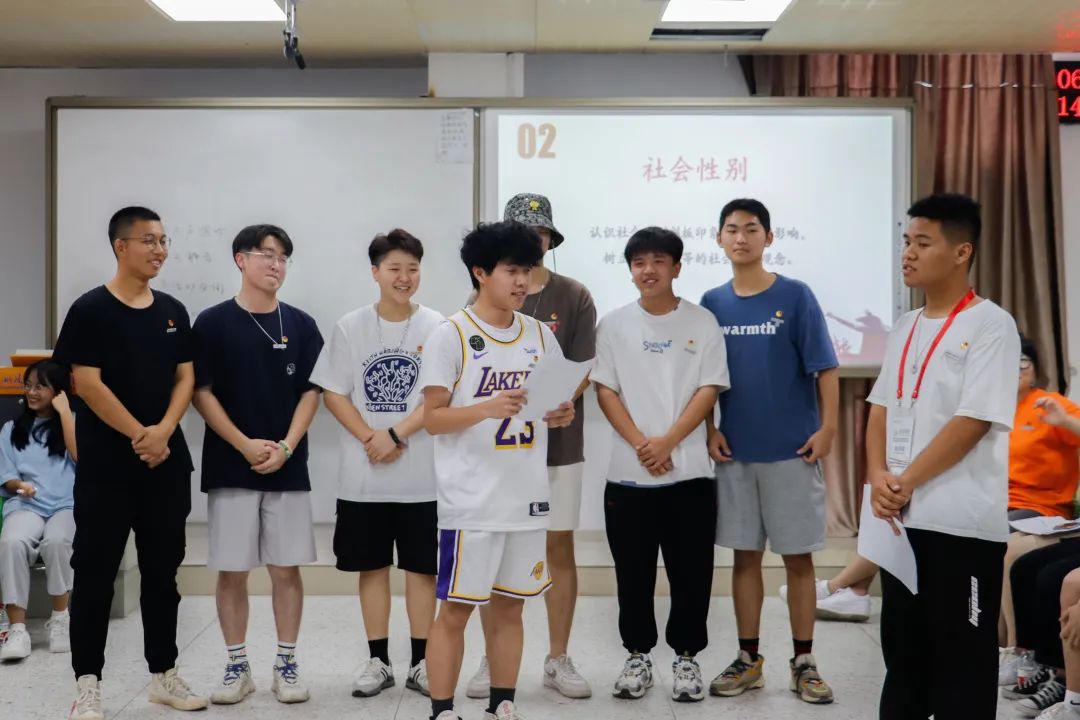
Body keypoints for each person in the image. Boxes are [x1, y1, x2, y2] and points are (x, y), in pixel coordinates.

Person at [868, 193, 1020, 720]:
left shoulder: (991, 324)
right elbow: (880, 408)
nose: (908, 253)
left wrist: (906, 479)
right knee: (903, 660)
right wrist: (878, 476)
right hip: (901, 523)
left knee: (962, 666)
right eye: (906, 242)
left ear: (961, 252)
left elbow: (973, 421)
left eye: (923, 243)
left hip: (962, 525)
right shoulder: (906, 325)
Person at [52, 206, 208, 719]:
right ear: (121, 246)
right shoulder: (90, 309)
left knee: (162, 575)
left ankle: (164, 675)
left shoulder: (173, 310)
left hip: (165, 465)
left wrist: (162, 432)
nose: (160, 250)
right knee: (95, 575)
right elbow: (86, 383)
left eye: (164, 240)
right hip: (107, 469)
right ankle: (88, 685)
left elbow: (186, 377)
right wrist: (141, 433)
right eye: (149, 240)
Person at [420, 221, 574, 720]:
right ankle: (442, 710)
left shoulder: (539, 335)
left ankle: (501, 704)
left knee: (510, 607)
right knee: (456, 610)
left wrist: (561, 412)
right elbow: (432, 419)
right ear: (480, 272)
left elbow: (551, 404)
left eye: (527, 270)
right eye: (511, 271)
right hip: (471, 504)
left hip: (525, 499)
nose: (522, 281)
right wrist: (485, 408)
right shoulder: (451, 335)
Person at [700, 198, 839, 704]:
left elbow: (825, 368)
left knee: (798, 560)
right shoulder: (712, 302)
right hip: (736, 453)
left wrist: (828, 428)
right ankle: (748, 659)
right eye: (732, 229)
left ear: (769, 237)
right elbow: (705, 377)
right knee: (745, 559)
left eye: (752, 229)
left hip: (792, 451)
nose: (741, 238)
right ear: (719, 238)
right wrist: (710, 428)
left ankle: (804, 662)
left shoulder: (796, 296)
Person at [466, 193, 596, 700]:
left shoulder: (574, 294)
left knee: (558, 546)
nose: (533, 242)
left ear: (550, 240)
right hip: (499, 450)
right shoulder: (484, 294)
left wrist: (551, 403)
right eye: (523, 232)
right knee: (495, 549)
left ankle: (557, 657)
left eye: (540, 234)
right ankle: (490, 657)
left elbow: (582, 367)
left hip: (557, 445)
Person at [591, 226, 728, 703]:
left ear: (676, 267)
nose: (648, 270)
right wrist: (641, 444)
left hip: (689, 474)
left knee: (692, 574)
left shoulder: (702, 322)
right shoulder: (613, 324)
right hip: (627, 476)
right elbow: (605, 389)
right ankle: (638, 656)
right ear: (630, 270)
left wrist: (668, 442)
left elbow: (709, 388)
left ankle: (687, 658)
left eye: (658, 261)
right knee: (632, 575)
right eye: (639, 263)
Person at [191, 224, 322, 706]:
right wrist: (244, 444)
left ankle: (286, 664)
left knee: (286, 569)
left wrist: (286, 446)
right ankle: (236, 666)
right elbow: (200, 393)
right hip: (231, 465)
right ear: (240, 260)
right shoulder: (212, 323)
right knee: (232, 570)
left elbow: (312, 392)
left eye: (283, 257)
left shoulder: (301, 324)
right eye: (267, 254)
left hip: (288, 465)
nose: (276, 264)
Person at [310, 229, 443, 698]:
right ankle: (379, 660)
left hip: (423, 479)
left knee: (422, 571)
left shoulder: (438, 326)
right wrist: (371, 437)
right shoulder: (351, 326)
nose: (404, 277)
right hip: (364, 477)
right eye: (394, 268)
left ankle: (422, 663)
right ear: (375, 273)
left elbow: (438, 397)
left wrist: (395, 434)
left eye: (413, 268)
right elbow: (333, 392)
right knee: (372, 568)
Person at [0, 360, 76, 661]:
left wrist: (65, 413)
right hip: (26, 505)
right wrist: (21, 486)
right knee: (11, 542)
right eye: (28, 385)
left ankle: (61, 618)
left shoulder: (73, 423)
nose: (31, 392)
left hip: (66, 505)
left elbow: (81, 457)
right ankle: (17, 629)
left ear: (58, 391)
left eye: (40, 386)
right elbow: (7, 478)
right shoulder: (11, 430)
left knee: (57, 541)